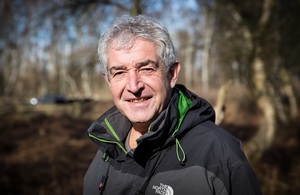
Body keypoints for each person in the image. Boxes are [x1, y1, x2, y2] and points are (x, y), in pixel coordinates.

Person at [84, 15, 261, 195]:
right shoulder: (106, 151)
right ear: (108, 82)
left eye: (146, 69)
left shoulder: (220, 155)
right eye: (120, 72)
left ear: (172, 74)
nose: (133, 86)